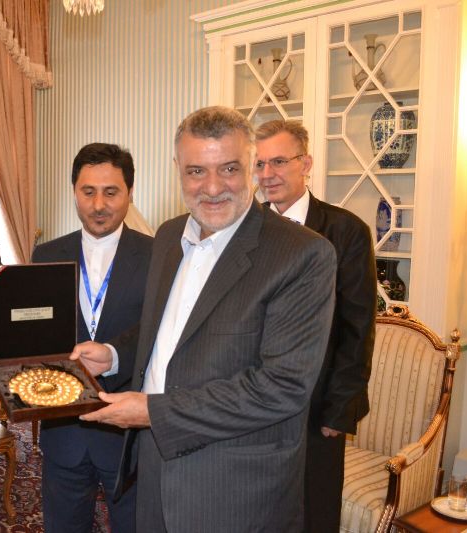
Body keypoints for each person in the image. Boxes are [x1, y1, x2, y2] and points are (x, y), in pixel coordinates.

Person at [74, 106, 338, 532]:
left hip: (232, 488)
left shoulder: (302, 254)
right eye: (196, 171)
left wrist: (154, 412)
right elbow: (170, 329)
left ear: (252, 167)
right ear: (177, 169)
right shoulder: (168, 236)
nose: (212, 187)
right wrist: (115, 354)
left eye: (229, 169)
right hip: (153, 466)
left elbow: (281, 388)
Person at [254, 119, 376, 532]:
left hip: (317, 405)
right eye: (259, 164)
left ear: (305, 164)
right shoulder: (244, 229)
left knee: (314, 513)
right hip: (253, 401)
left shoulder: (346, 231)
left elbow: (358, 327)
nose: (267, 174)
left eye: (279, 162)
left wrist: (339, 410)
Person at [31, 143, 152, 533]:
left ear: (129, 192)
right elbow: (38, 334)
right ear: (74, 192)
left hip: (130, 433)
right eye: (88, 192)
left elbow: (159, 328)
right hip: (63, 428)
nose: (99, 205)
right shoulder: (45, 254)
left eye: (111, 192)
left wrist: (115, 354)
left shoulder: (159, 255)